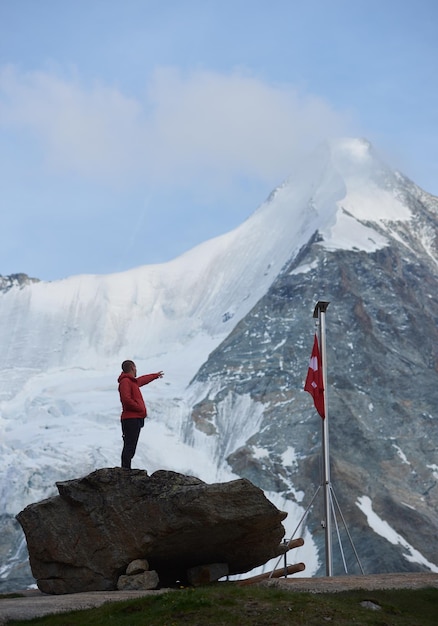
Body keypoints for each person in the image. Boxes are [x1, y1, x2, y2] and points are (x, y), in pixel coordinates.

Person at [118, 360, 164, 469]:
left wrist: (155, 376)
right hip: (131, 418)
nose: (136, 370)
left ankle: (126, 471)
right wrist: (139, 408)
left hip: (134, 418)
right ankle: (125, 472)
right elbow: (126, 399)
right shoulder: (125, 382)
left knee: (131, 446)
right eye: (135, 368)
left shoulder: (131, 381)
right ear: (133, 368)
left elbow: (142, 380)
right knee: (129, 446)